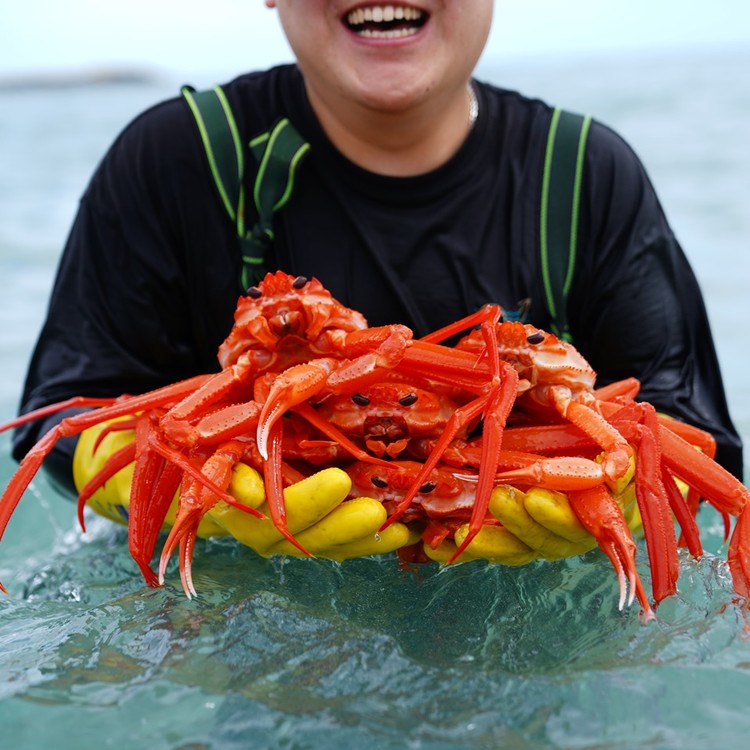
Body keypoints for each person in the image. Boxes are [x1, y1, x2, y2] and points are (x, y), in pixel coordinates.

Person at [10, 1, 743, 566]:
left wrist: (632, 490)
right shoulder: (176, 159)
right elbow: (59, 416)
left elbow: (692, 431)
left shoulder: (584, 174)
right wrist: (147, 482)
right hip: (241, 609)